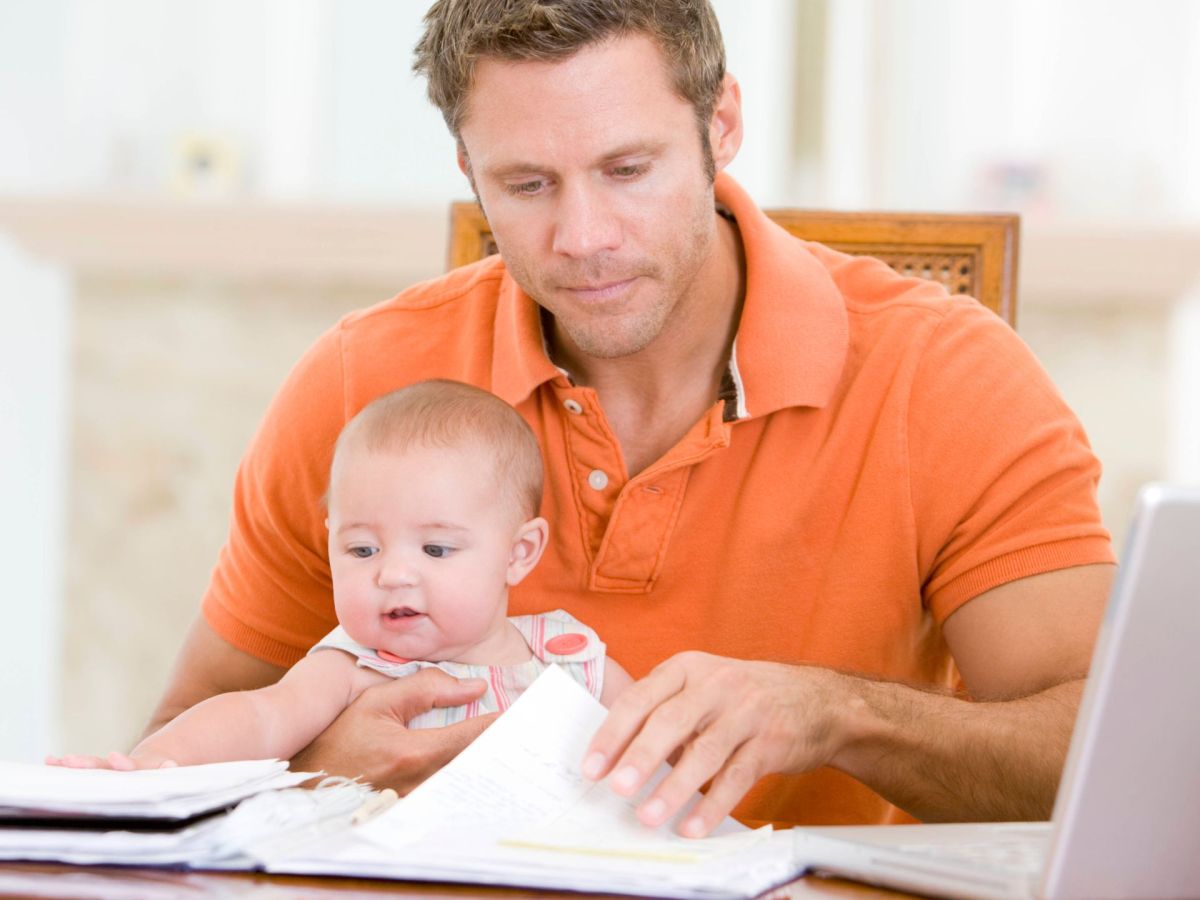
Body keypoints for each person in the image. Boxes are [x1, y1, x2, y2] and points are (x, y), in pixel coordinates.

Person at [143, 0, 1116, 836]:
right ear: (467, 165)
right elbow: (176, 746)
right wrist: (320, 763)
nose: (584, 240)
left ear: (720, 123)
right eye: (526, 185)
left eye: (627, 168)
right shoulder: (364, 380)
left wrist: (837, 716)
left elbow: (1112, 761)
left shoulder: (944, 376)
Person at [50, 381, 631, 770]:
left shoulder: (571, 659)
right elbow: (257, 717)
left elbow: (654, 741)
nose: (394, 574)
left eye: (435, 548)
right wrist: (148, 771)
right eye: (361, 549)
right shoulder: (355, 668)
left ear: (518, 552)